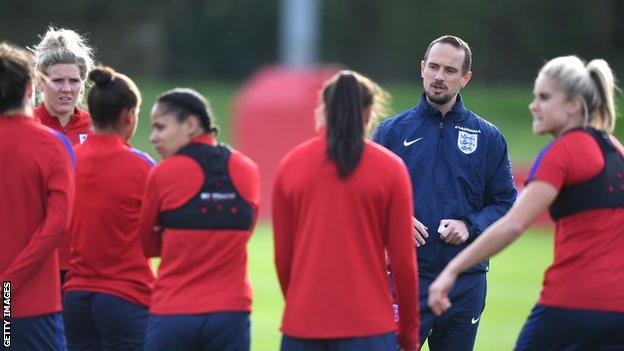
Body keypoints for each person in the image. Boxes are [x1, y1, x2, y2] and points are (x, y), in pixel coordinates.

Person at [429, 56, 624, 350]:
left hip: (571, 303)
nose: (533, 106)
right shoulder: (616, 149)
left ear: (574, 104)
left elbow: (514, 223)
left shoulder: (563, 151)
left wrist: (451, 270)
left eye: (544, 97)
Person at [372, 35, 517, 350]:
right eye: (434, 67)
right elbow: (362, 199)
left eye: (450, 70)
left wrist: (469, 225)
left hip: (465, 279)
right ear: (422, 68)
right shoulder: (390, 133)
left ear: (465, 78)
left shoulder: (488, 137)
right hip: (404, 277)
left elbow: (505, 202)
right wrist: (393, 221)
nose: (439, 76)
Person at [273, 70, 420, 351]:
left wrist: (301, 306)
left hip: (303, 326)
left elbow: (283, 257)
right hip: (369, 326)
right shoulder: (390, 169)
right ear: (367, 114)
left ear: (324, 111)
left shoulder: (291, 165)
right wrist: (409, 333)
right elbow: (403, 262)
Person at [138, 88, 260, 351]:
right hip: (232, 312)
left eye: (160, 127)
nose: (153, 137)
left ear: (191, 124)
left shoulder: (163, 174)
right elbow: (244, 232)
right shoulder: (249, 169)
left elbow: (146, 244)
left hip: (173, 311)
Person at [61, 66, 155, 350]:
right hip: (127, 297)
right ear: (129, 115)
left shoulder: (68, 161)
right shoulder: (142, 166)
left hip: (75, 297)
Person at [0, 42, 75, 350]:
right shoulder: (51, 145)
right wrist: (8, 285)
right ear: (31, 88)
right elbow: (58, 224)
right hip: (31, 304)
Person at [33, 26, 95, 284]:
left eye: (74, 81)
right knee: (11, 325)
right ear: (40, 82)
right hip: (38, 258)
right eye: (57, 81)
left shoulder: (97, 127)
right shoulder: (26, 126)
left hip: (87, 259)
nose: (66, 89)